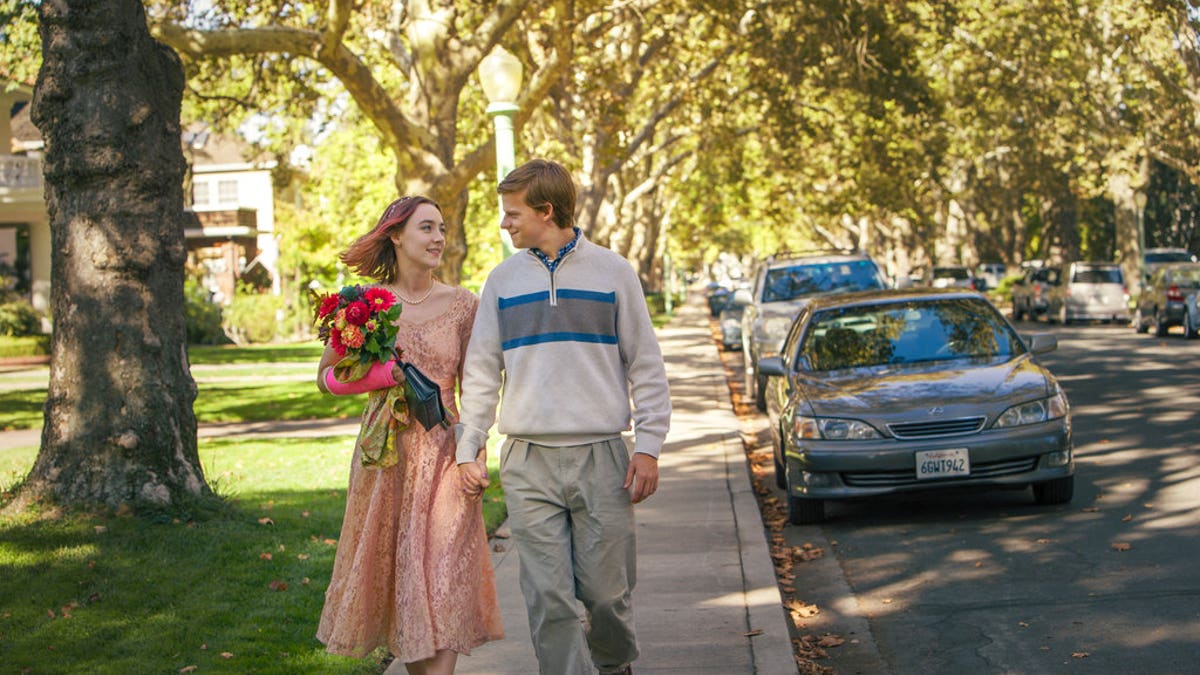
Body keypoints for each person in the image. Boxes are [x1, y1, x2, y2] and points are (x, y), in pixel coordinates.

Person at [455, 159, 672, 675]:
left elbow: (646, 363)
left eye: (512, 214)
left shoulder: (614, 273)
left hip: (603, 458)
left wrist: (649, 446)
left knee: (606, 595)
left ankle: (615, 666)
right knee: (548, 598)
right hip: (529, 460)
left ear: (545, 211)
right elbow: (482, 372)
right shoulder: (501, 282)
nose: (505, 224)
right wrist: (470, 446)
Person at [315, 195, 503, 674]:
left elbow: (478, 388)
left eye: (441, 228)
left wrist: (474, 454)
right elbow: (328, 379)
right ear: (396, 236)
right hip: (387, 456)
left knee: (443, 578)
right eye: (426, 228)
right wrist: (382, 378)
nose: (439, 237)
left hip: (445, 452)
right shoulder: (362, 306)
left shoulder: (464, 305)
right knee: (403, 583)